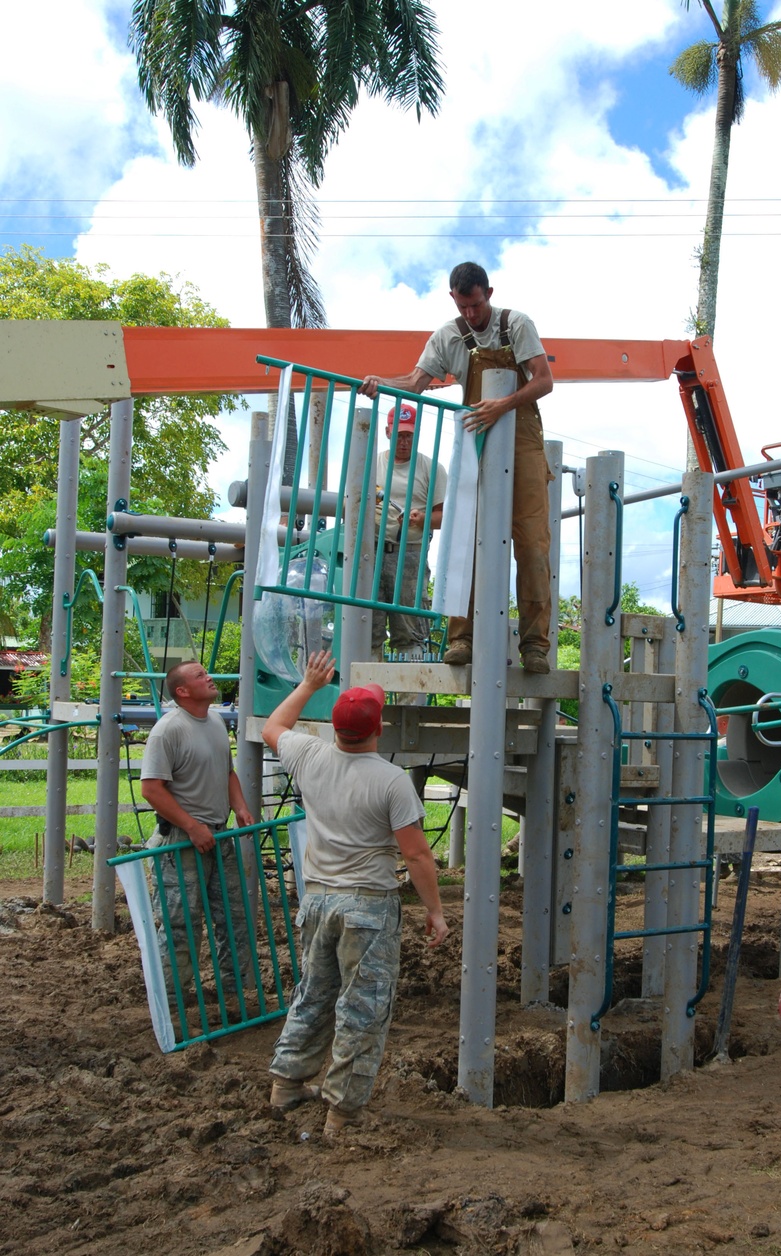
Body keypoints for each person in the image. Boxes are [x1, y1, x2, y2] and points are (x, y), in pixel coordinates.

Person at [261, 651, 448, 1138]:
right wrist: (435, 911)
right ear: (378, 728)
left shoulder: (309, 755)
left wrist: (307, 684)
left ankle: (286, 1083)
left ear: (336, 727)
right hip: (366, 905)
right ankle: (342, 1113)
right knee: (363, 1007)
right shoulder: (391, 782)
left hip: (319, 900)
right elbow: (418, 856)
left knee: (314, 993)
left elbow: (272, 727)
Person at [361, 260, 554, 674]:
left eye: (477, 305)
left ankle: (535, 645)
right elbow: (414, 383)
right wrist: (381, 384)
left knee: (533, 545)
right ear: (454, 299)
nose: (471, 314)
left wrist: (502, 403)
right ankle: (460, 638)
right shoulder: (447, 336)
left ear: (489, 293)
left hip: (521, 439)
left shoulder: (516, 325)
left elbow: (543, 381)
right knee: (464, 535)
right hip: (475, 440)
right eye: (463, 306)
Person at [140, 662, 256, 1001]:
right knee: (181, 925)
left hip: (218, 838)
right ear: (182, 691)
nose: (210, 678)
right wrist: (192, 827)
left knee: (234, 918)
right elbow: (152, 789)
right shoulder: (168, 731)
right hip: (182, 842)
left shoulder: (217, 721)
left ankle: (234, 992)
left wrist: (240, 807)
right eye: (201, 675)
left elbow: (227, 771)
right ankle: (174, 998)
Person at [371, 402, 447, 660]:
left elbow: (445, 517)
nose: (404, 441)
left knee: (410, 633)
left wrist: (422, 519)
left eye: (409, 435)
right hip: (371, 553)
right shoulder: (371, 464)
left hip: (410, 556)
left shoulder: (432, 468)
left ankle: (408, 699)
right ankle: (365, 698)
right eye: (399, 434)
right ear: (387, 432)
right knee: (367, 629)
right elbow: (352, 504)